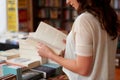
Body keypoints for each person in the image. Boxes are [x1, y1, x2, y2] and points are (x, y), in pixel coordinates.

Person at [37, 0, 120, 80]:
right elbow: (99, 51)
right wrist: (71, 47)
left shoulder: (84, 20)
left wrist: (50, 55)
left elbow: (82, 69)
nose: (67, 1)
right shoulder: (109, 17)